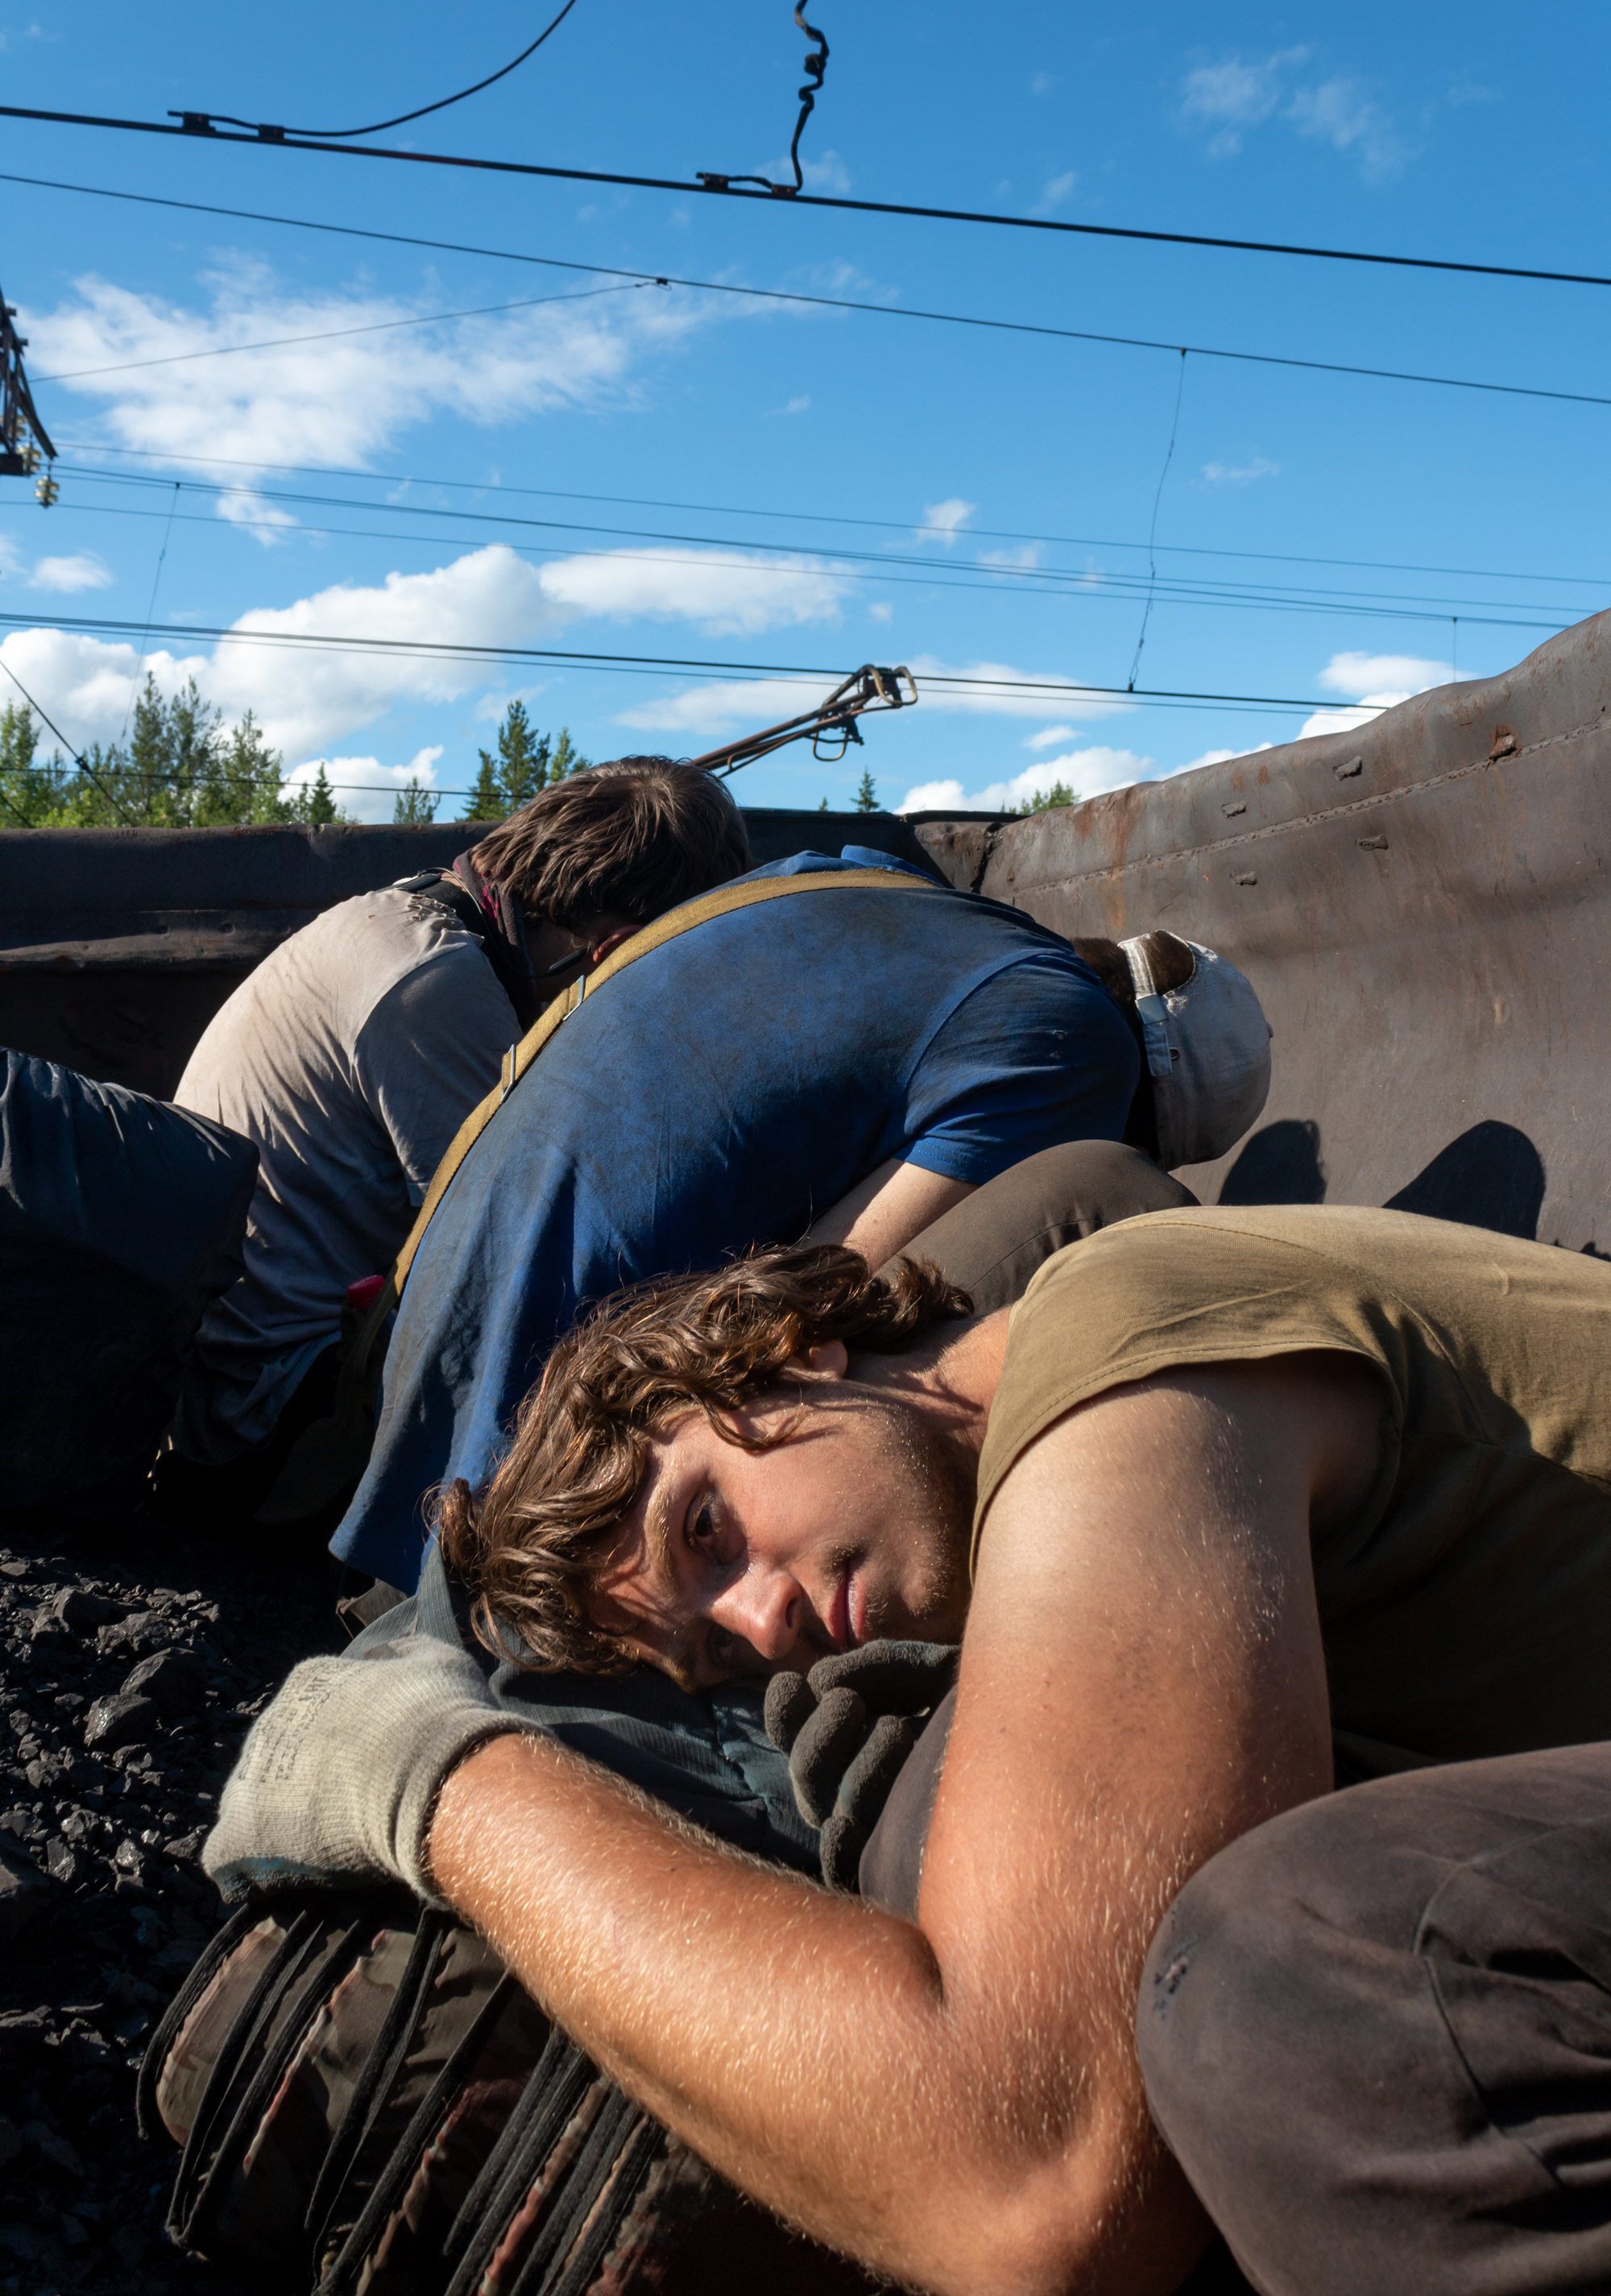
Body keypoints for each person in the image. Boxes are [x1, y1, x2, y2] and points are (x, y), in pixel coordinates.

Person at [209, 1202, 1611, 2296]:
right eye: (714, 1652)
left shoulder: (1118, 1361)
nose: (764, 1622)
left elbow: (1039, 2187)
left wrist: (444, 1785)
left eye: (705, 1528)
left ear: (785, 1349)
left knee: (1301, 1993)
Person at [329, 856, 1272, 1596]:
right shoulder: (1079, 1048)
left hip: (414, 1389)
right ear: (1145, 1089)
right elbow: (833, 1284)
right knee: (1110, 1205)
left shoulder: (865, 875)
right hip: (542, 1483)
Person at [164, 756, 750, 1519]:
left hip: (227, 1385)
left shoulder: (403, 918)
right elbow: (517, 1262)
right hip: (271, 1418)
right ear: (618, 944)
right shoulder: (438, 988)